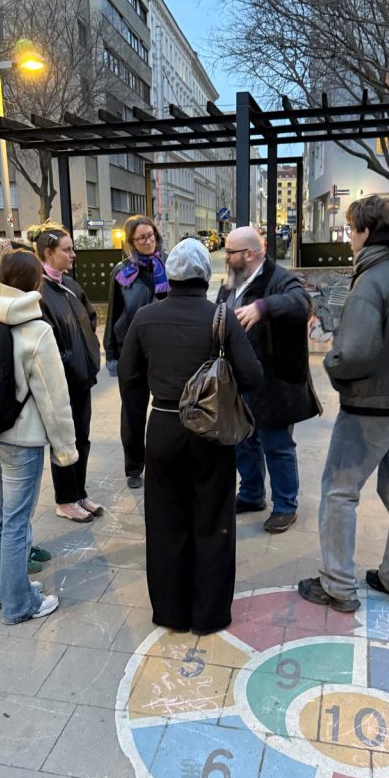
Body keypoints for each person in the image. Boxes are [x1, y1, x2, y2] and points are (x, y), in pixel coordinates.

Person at [298, 195, 389, 614]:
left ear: (367, 231)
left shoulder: (371, 282)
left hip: (371, 406)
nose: (348, 239)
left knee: (339, 491)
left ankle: (338, 585)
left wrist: (332, 367)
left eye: (351, 230)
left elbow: (353, 353)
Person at [118, 238, 263, 635]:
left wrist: (134, 451)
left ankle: (171, 611)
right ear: (204, 275)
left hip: (163, 428)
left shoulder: (145, 318)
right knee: (213, 521)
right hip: (212, 434)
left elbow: (129, 386)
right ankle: (209, 615)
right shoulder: (222, 317)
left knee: (165, 523)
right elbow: (252, 376)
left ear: (172, 275)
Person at [0, 250, 77, 624]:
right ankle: (19, 605)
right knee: (17, 522)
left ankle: (0, 594)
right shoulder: (36, 329)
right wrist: (65, 450)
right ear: (35, 283)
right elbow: (54, 398)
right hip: (20, 440)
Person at [219, 226, 321, 534]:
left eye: (229, 252)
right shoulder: (232, 281)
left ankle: (285, 506)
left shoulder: (279, 279)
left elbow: (302, 303)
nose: (225, 257)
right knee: (242, 442)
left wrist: (263, 307)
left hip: (274, 381)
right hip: (241, 378)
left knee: (276, 445)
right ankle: (251, 495)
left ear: (249, 254)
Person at [29, 223, 102, 523]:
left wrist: (89, 351)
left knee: (81, 438)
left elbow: (92, 317)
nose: (73, 255)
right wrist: (67, 359)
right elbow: (41, 337)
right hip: (60, 382)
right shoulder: (39, 291)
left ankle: (79, 492)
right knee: (64, 441)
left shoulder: (70, 286)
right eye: (67, 250)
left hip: (82, 379)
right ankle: (65, 499)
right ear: (49, 253)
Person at [104, 214, 169, 490]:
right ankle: (133, 467)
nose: (148, 241)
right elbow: (114, 314)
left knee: (168, 410)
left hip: (164, 351)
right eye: (142, 238)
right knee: (132, 413)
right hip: (131, 351)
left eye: (151, 235)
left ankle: (163, 461)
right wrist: (111, 354)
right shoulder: (121, 272)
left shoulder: (169, 266)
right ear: (130, 242)